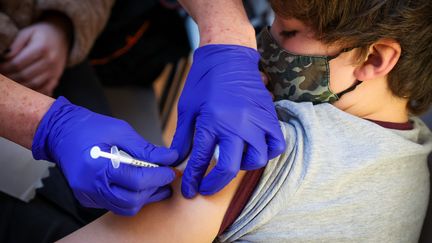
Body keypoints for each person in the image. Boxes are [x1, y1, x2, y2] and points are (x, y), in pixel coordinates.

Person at [60, 0, 432, 242]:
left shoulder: (270, 145)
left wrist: (55, 128)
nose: (262, 42)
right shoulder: (414, 149)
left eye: (288, 32)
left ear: (375, 59)